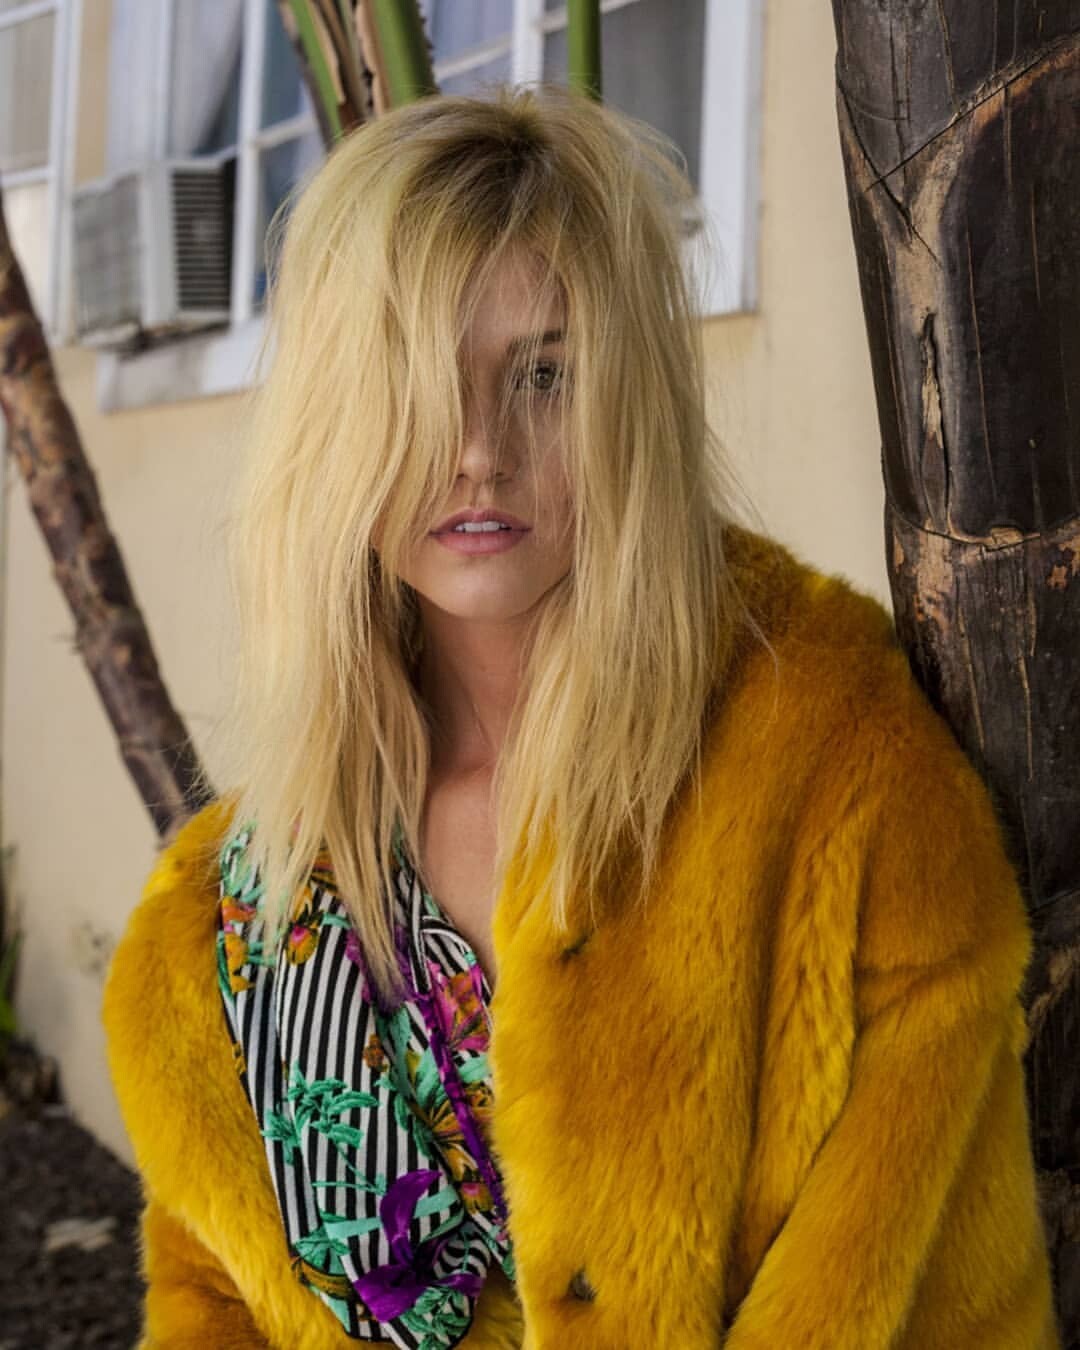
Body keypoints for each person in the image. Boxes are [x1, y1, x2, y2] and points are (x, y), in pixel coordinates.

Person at [102, 86, 1059, 1349]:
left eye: (545, 374)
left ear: (630, 400)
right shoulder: (237, 916)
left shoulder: (828, 759)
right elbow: (213, 1299)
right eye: (417, 381)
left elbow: (932, 1281)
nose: (478, 451)